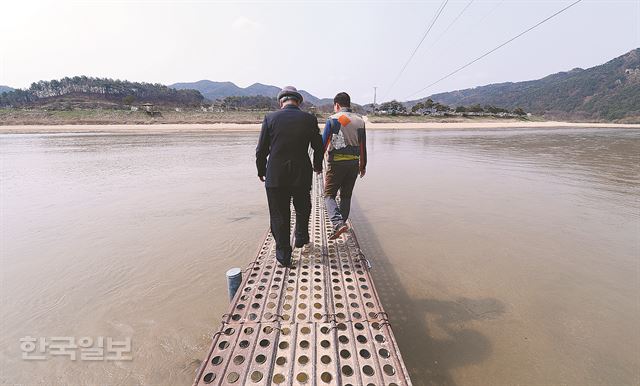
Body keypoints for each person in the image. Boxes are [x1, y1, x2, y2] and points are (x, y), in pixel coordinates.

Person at [256, 86, 323, 267]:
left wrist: (261, 171)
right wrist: (317, 165)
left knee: (279, 215)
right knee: (303, 207)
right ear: (299, 102)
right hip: (301, 173)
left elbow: (261, 150)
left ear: (281, 102)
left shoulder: (270, 118)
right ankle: (301, 238)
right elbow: (319, 146)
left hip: (275, 175)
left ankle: (284, 256)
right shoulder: (309, 119)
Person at [322, 92, 367, 239]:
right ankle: (343, 224)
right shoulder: (360, 121)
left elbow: (324, 144)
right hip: (354, 163)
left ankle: (337, 223)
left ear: (337, 105)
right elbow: (362, 146)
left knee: (329, 195)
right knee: (346, 196)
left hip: (336, 164)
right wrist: (363, 165)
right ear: (349, 104)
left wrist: (317, 164)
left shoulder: (333, 120)